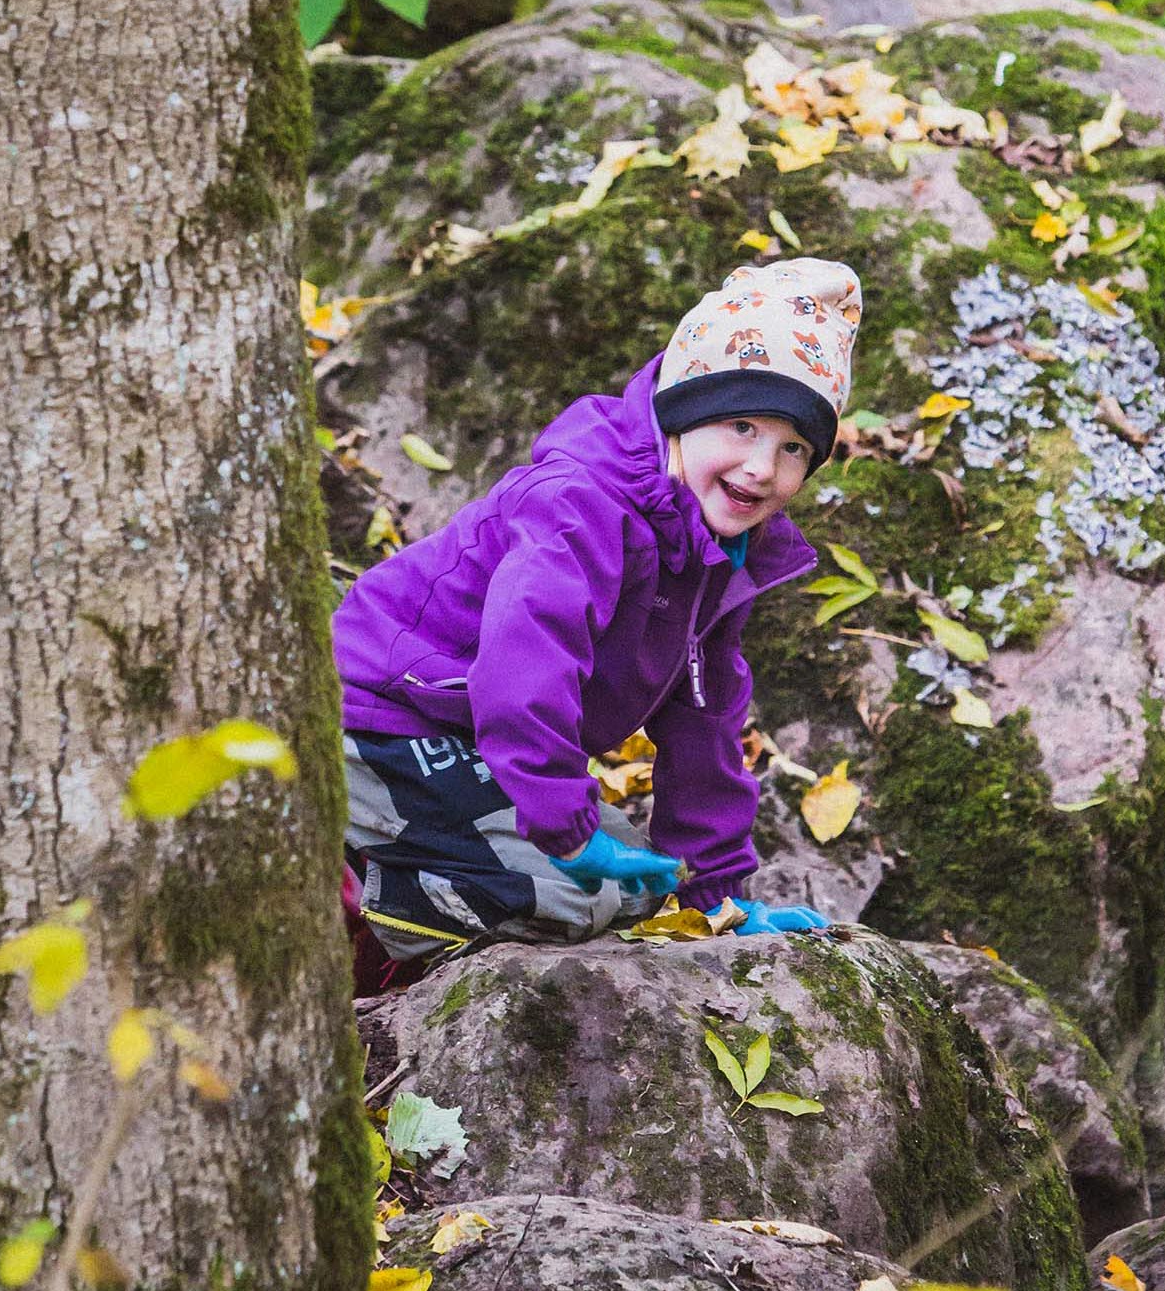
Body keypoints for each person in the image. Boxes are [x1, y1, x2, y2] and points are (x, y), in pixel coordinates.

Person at [332, 257, 860, 984]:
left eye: (793, 447)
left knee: (642, 888)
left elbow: (704, 723)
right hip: (382, 715)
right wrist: (564, 825)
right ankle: (372, 888)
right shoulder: (580, 503)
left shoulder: (718, 551)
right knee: (568, 899)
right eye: (742, 425)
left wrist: (715, 900)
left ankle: (436, 856)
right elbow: (522, 671)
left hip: (479, 742)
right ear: (684, 409)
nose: (763, 468)